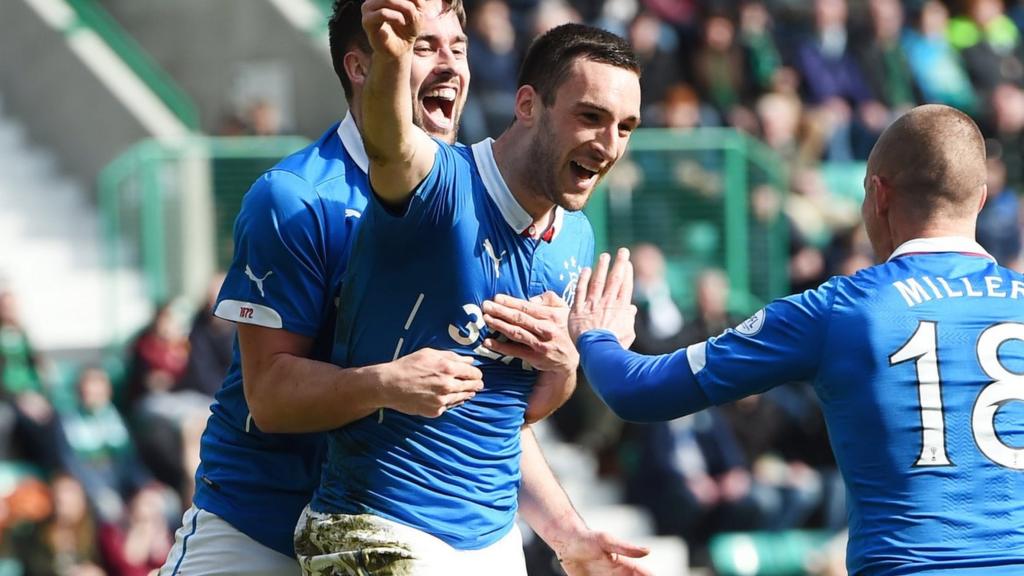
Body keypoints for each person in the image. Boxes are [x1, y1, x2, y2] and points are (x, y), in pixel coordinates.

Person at [160, 1, 643, 574]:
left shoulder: (499, 208)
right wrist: (387, 383)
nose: (449, 67)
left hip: (410, 532)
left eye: (458, 48)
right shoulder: (296, 198)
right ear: (366, 65)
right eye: (423, 46)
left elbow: (488, 411)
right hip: (259, 528)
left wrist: (566, 524)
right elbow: (268, 397)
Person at [569, 104, 1024, 574]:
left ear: (877, 194)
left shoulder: (843, 309)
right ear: (982, 198)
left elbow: (637, 390)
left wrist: (595, 336)